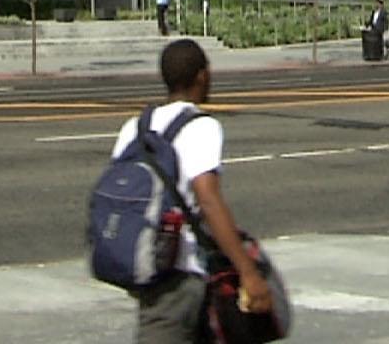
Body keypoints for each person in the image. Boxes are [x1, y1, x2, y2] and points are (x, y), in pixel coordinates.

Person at [111, 40, 272, 342]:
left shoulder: (134, 127)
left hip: (146, 263)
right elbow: (208, 200)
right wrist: (248, 272)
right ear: (202, 75)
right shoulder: (201, 126)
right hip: (177, 278)